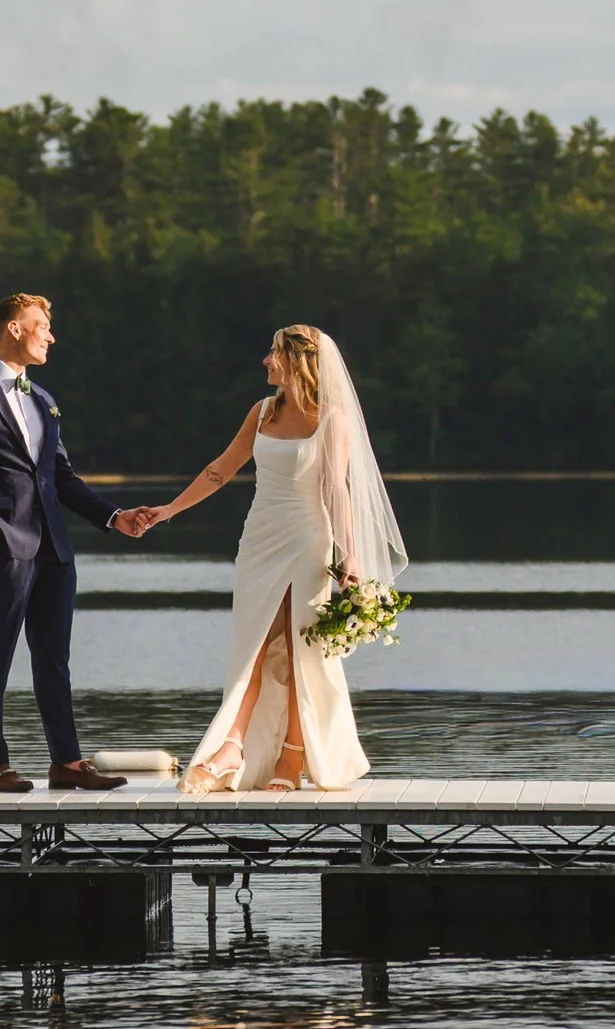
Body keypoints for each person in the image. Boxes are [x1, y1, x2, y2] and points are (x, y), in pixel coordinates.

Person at [127, 324, 407, 793]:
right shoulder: (261, 413)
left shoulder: (330, 419)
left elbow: (335, 489)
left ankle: (292, 756)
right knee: (254, 645)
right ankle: (234, 744)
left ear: (296, 361)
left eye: (273, 352)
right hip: (259, 539)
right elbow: (220, 470)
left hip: (308, 540)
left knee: (298, 648)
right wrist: (167, 510)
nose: (265, 360)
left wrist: (349, 556)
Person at [0, 291, 149, 793]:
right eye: (41, 325)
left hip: (54, 550)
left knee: (53, 659)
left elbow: (60, 477)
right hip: (2, 545)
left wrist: (113, 517)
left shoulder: (43, 399)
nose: (51, 335)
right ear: (14, 329)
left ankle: (66, 763)